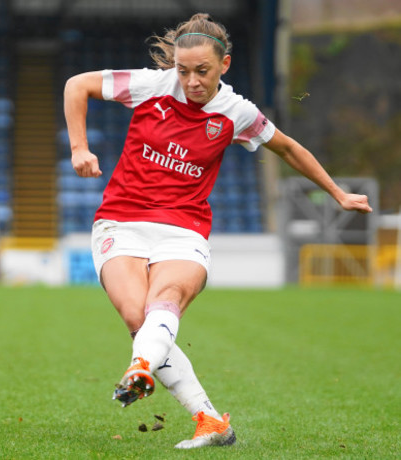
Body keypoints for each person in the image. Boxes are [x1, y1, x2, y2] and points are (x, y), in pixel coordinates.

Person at [63, 13, 372, 450]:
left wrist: (338, 193)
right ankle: (209, 420)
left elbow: (287, 148)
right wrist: (79, 146)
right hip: (121, 221)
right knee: (138, 317)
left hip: (182, 229)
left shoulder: (237, 112)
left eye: (202, 71)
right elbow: (78, 84)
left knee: (162, 304)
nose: (190, 81)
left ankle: (139, 369)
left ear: (224, 64)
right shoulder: (151, 85)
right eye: (183, 70)